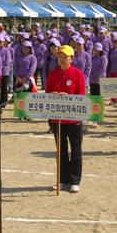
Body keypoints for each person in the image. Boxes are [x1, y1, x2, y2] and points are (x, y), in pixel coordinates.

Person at [45, 45, 86, 193]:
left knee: (76, 150)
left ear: (72, 59)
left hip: (74, 119)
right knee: (61, 150)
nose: (62, 59)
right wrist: (54, 95)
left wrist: (68, 97)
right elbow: (47, 93)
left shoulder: (77, 74)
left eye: (65, 57)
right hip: (58, 119)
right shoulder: (53, 74)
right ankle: (62, 179)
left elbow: (82, 95)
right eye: (60, 57)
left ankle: (74, 180)